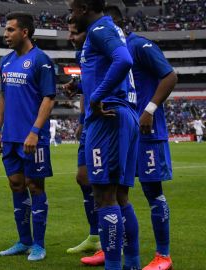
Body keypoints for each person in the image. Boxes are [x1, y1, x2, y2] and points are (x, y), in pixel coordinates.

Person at [82, 7, 178, 270]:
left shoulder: (140, 45)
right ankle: (118, 252)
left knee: (151, 192)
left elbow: (170, 75)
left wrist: (149, 109)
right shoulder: (112, 46)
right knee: (118, 195)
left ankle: (163, 255)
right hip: (123, 125)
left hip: (146, 128)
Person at [69, 1, 140, 269]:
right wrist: (79, 87)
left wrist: (97, 96)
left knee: (104, 198)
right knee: (121, 197)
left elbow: (124, 60)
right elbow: (107, 67)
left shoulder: (99, 29)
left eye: (72, 10)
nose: (71, 15)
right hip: (123, 114)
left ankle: (113, 265)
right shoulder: (110, 29)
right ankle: (131, 264)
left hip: (107, 116)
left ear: (85, 8)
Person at [0, 12, 56, 261]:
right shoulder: (6, 61)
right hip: (10, 136)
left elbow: (49, 98)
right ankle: (24, 240)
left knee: (35, 186)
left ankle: (39, 244)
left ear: (25, 32)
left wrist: (34, 131)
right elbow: (3, 97)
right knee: (16, 184)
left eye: (10, 30)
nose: (5, 35)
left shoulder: (41, 60)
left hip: (32, 138)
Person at [62, 16, 100, 255]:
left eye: (74, 33)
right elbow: (88, 85)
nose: (70, 37)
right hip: (89, 123)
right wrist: (81, 117)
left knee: (107, 186)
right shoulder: (81, 56)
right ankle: (95, 236)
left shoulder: (102, 50)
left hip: (105, 122)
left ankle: (112, 240)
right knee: (83, 178)